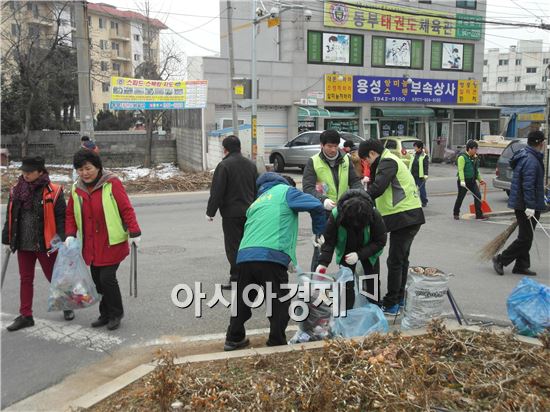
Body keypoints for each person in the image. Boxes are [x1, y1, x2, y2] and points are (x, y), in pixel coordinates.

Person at [224, 173, 326, 351]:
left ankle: (233, 338)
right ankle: (276, 342)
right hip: (270, 256)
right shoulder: (286, 191)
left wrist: (287, 258)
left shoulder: (257, 202)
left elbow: (265, 230)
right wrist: (319, 231)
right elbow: (316, 205)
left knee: (243, 299)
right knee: (279, 302)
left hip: (244, 256)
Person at [65, 150, 141, 330]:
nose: (84, 173)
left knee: (107, 278)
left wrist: (135, 232)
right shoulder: (77, 189)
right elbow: (70, 214)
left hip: (111, 242)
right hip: (91, 244)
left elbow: (126, 209)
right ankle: (104, 314)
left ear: (97, 167)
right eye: (80, 169)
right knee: (97, 280)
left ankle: (116, 313)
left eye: (88, 168)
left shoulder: (111, 183)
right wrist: (69, 234)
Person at [2, 156, 74, 331]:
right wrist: (6, 239)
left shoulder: (54, 191)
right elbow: (10, 217)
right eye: (23, 171)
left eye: (29, 172)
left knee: (53, 276)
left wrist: (64, 238)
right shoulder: (16, 191)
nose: (25, 175)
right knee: (25, 279)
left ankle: (66, 304)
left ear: (40, 172)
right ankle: (26, 315)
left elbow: (61, 217)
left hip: (45, 243)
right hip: (23, 243)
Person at [358, 139, 425, 315]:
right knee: (401, 259)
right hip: (409, 215)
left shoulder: (387, 162)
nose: (367, 163)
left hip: (404, 216)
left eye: (366, 159)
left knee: (395, 261)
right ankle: (400, 298)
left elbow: (378, 188)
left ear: (372, 153)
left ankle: (392, 303)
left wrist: (358, 197)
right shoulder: (390, 159)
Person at [316, 189, 387, 310]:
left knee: (371, 284)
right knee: (346, 285)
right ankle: (347, 315)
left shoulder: (373, 214)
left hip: (369, 252)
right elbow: (329, 241)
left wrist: (359, 255)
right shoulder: (337, 215)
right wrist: (323, 263)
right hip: (346, 251)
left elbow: (380, 241)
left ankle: (372, 314)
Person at [303, 129, 362, 271]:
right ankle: (316, 285)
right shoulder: (313, 161)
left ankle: (346, 282)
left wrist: (358, 196)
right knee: (321, 250)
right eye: (329, 146)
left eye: (335, 146)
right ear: (321, 145)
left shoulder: (346, 159)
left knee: (347, 249)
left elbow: (355, 181)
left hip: (344, 211)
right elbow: (308, 188)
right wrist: (322, 200)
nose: (332, 149)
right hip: (323, 213)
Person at [206, 135, 258, 289]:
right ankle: (251, 278)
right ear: (240, 148)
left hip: (231, 214)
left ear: (225, 149)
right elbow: (256, 189)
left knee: (233, 247)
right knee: (248, 245)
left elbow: (217, 191)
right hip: (250, 212)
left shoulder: (224, 166)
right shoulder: (251, 165)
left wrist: (211, 212)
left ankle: (237, 278)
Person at [492, 131, 546, 277]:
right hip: (525, 205)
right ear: (540, 143)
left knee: (526, 236)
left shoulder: (528, 156)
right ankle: (500, 259)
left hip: (525, 203)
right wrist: (530, 206)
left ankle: (521, 265)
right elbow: (528, 185)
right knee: (525, 238)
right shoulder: (531, 160)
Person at [453, 139, 487, 220]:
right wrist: (462, 180)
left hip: (472, 181)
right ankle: (456, 213)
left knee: (478, 196)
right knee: (460, 198)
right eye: (475, 149)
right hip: (463, 182)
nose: (476, 151)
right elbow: (460, 170)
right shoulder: (462, 157)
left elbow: (476, 171)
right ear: (470, 149)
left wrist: (480, 180)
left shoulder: (475, 158)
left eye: (476, 149)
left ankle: (479, 214)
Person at [409, 140, 429, 207]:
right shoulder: (413, 154)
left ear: (420, 148)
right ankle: (412, 201)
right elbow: (411, 164)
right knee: (412, 189)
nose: (414, 148)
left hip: (420, 176)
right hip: (412, 175)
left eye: (415, 147)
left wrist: (426, 174)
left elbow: (426, 166)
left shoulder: (424, 156)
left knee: (422, 190)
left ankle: (424, 201)